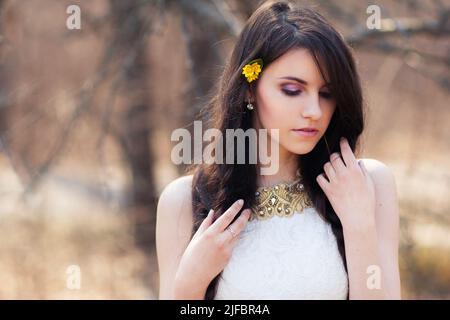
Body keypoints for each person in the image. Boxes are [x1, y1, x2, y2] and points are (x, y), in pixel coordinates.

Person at [156, 0, 401, 300]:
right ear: (250, 87)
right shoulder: (184, 201)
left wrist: (359, 225)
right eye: (292, 90)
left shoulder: (370, 184)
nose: (314, 110)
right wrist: (191, 282)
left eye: (327, 94)